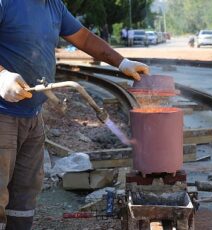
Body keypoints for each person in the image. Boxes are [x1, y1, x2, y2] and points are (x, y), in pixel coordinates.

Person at [0, 1, 149, 229]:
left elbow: (84, 38)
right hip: (2, 116)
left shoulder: (53, 5)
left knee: (25, 194)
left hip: (32, 116)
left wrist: (121, 62)